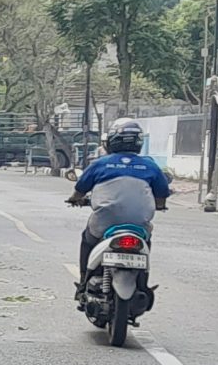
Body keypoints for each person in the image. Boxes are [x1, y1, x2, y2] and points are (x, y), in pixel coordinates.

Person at [68, 120, 172, 284]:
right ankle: (141, 282)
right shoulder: (150, 166)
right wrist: (160, 206)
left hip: (103, 223)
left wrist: (74, 199)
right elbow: (162, 196)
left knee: (88, 239)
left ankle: (84, 280)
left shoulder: (100, 164)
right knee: (145, 242)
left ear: (111, 141)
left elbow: (80, 189)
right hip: (139, 225)